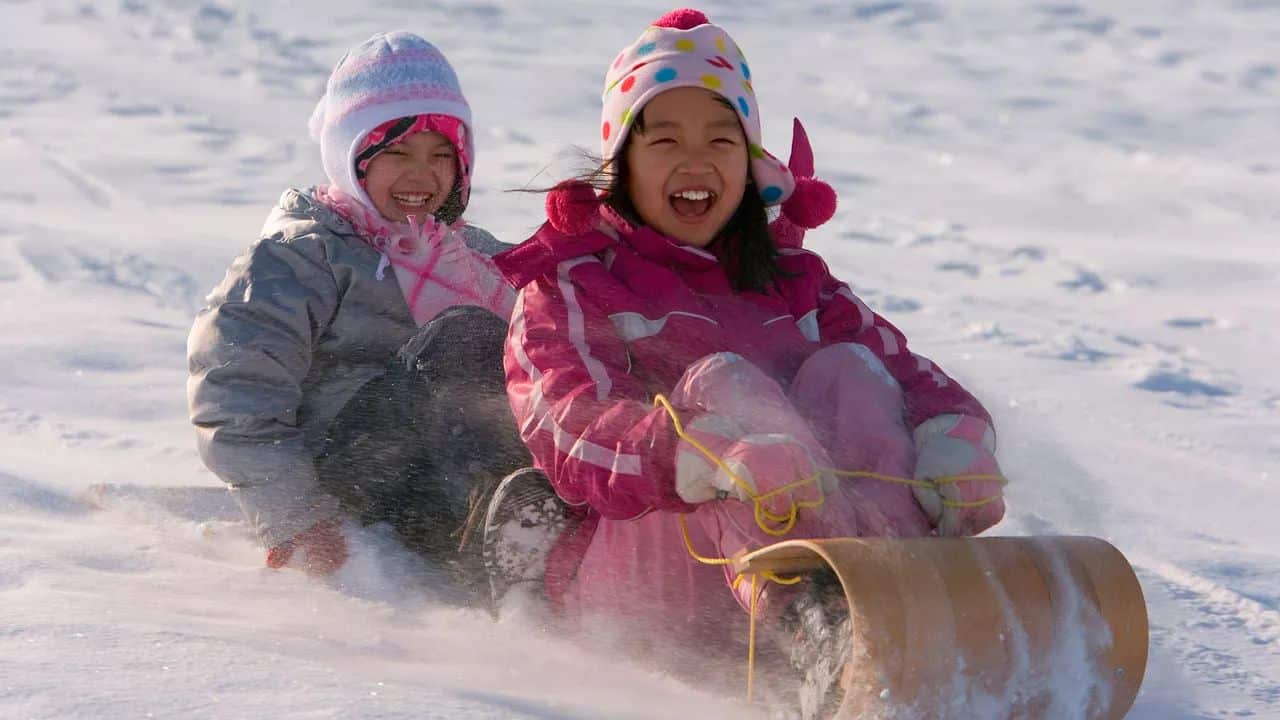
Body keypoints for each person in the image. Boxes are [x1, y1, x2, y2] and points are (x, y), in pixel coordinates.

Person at [481, 8, 1007, 710]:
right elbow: (565, 422)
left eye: (721, 139)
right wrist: (697, 454)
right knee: (725, 381)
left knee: (849, 372)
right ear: (622, 162)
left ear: (749, 160)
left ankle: (909, 600)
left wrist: (956, 440)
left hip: (841, 577)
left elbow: (910, 380)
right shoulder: (573, 283)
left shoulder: (797, 281)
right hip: (656, 593)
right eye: (665, 139)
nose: (696, 161)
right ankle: (824, 627)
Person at [187, 31, 528, 596]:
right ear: (351, 157)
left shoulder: (475, 257)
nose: (421, 175)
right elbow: (235, 391)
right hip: (349, 477)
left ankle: (544, 524)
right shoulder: (301, 257)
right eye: (396, 153)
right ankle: (500, 527)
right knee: (464, 340)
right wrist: (296, 515)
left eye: (441, 155)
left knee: (539, 346)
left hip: (445, 479)